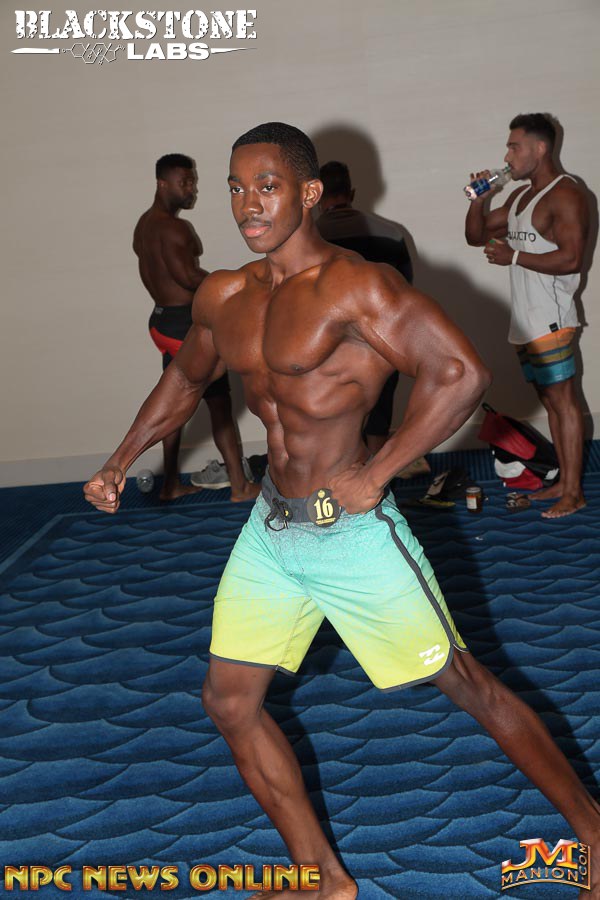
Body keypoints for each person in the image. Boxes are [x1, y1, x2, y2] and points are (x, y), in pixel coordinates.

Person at [86, 123, 599, 899]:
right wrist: (120, 460)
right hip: (271, 530)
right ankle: (322, 879)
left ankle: (594, 833)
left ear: (308, 193)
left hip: (350, 530)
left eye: (267, 186)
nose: (248, 203)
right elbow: (186, 380)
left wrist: (381, 471)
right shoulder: (225, 295)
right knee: (230, 702)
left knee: (467, 683)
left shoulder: (355, 287)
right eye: (236, 187)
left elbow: (459, 373)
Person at [465, 113, 589, 519]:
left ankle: (574, 493)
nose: (507, 156)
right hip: (525, 322)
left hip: (552, 319)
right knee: (551, 403)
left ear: (540, 148)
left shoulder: (566, 194)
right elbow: (476, 235)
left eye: (514, 147)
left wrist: (514, 256)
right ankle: (564, 484)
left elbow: (571, 258)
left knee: (564, 403)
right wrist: (479, 200)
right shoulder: (520, 197)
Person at [133, 153, 258, 502]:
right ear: (162, 184)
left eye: (194, 182)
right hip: (184, 325)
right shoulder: (174, 229)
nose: (193, 189)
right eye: (185, 182)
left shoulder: (145, 224)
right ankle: (240, 486)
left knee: (174, 399)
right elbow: (187, 277)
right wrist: (236, 287)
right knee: (219, 403)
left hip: (162, 322)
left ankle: (170, 485)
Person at [316, 160, 414, 455]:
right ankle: (380, 473)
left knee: (341, 417)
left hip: (332, 343)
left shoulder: (311, 239)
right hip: (383, 339)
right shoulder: (391, 233)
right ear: (352, 193)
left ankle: (347, 474)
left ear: (316, 197)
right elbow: (405, 291)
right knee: (380, 411)